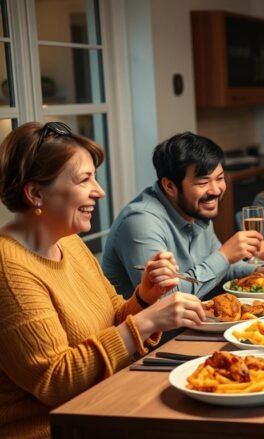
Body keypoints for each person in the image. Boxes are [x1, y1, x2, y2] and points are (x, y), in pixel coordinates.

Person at [0, 122, 205, 439]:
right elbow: (55, 380)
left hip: (104, 408)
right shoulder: (8, 269)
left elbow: (113, 319)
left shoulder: (67, 241)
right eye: (85, 180)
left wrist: (144, 299)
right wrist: (147, 321)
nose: (99, 191)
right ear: (36, 193)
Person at [102, 132, 264, 299]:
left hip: (195, 323)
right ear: (169, 186)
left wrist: (258, 270)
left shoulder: (195, 208)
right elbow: (165, 297)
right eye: (203, 183)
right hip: (158, 339)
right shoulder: (140, 221)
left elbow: (220, 269)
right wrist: (224, 255)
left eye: (219, 179)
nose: (216, 190)